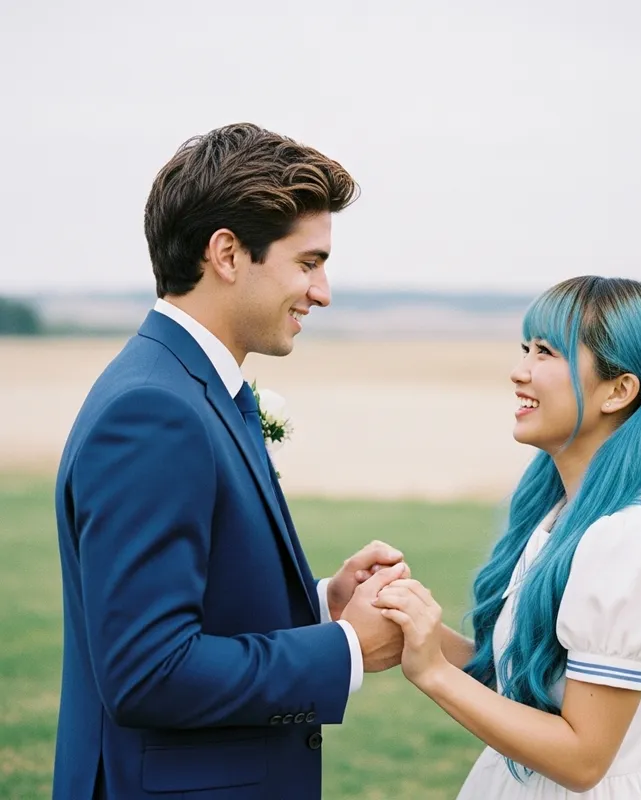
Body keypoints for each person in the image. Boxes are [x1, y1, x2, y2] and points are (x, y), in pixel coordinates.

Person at [53, 123, 408, 800]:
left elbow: (201, 600)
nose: (323, 292)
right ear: (227, 254)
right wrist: (346, 649)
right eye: (308, 263)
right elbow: (148, 671)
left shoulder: (190, 387)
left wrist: (323, 605)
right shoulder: (154, 412)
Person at [375, 276, 641, 798]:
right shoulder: (567, 513)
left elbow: (583, 760)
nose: (520, 371)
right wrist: (411, 623)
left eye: (546, 352)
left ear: (619, 391)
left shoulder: (628, 538)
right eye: (526, 349)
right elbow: (530, 690)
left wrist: (434, 675)